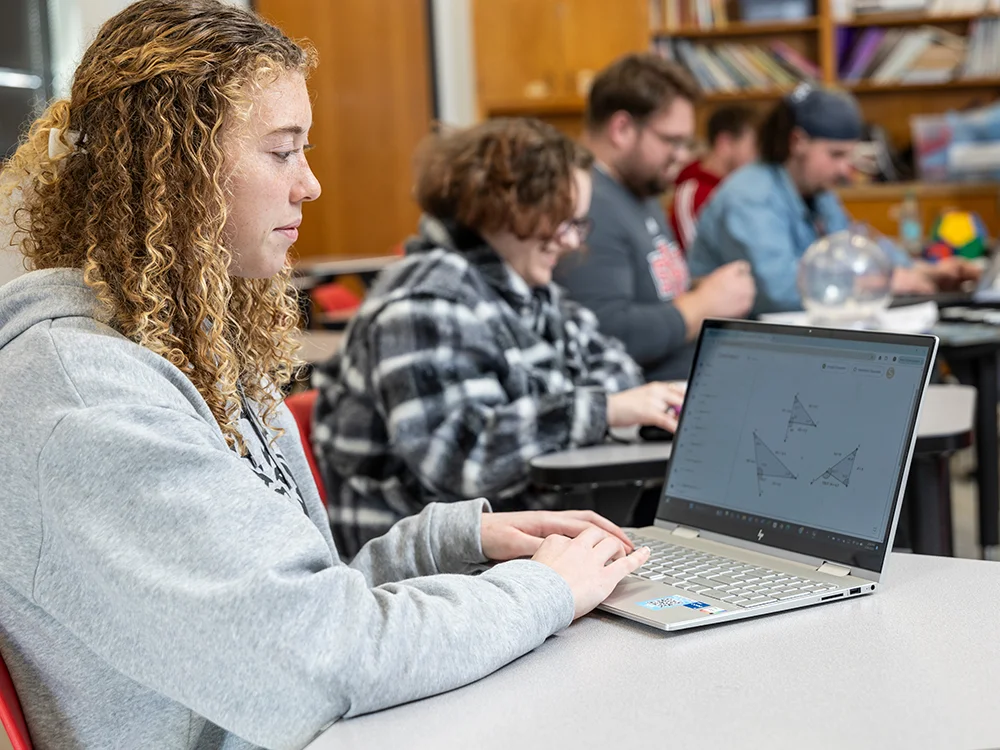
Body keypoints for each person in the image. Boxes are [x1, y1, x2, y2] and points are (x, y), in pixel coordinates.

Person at [0, 3, 651, 747]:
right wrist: (545, 590)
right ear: (173, 171)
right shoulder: (84, 401)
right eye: (282, 152)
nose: (309, 185)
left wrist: (451, 541)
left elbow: (295, 612)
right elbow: (318, 663)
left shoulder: (194, 350)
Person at [312, 117, 686, 557]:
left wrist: (592, 407)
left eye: (578, 224)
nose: (571, 241)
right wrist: (601, 409)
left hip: (512, 541)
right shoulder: (426, 301)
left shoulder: (524, 288)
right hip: (426, 563)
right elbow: (462, 457)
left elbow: (616, 368)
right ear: (505, 208)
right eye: (562, 221)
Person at [688, 84, 981, 316]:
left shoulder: (817, 192)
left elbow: (855, 245)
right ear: (798, 141)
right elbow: (779, 291)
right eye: (836, 155)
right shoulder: (749, 197)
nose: (845, 169)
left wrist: (924, 271)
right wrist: (886, 281)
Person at [555, 54, 756, 383]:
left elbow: (655, 294)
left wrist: (708, 290)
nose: (682, 155)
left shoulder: (640, 190)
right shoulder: (587, 203)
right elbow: (603, 332)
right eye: (671, 141)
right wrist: (703, 304)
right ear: (621, 129)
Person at [669, 104, 758, 251]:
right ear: (725, 144)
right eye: (754, 147)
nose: (758, 157)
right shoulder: (693, 195)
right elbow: (699, 258)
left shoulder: (744, 188)